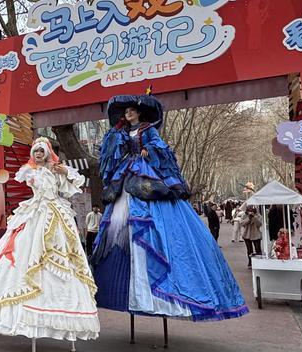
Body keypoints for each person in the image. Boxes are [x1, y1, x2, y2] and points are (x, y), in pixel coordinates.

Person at [91, 94, 248, 321]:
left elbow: (162, 151)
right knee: (120, 225)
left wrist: (149, 152)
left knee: (151, 223)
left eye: (131, 111)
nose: (128, 114)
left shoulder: (149, 130)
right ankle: (129, 291)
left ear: (139, 113)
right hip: (126, 177)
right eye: (126, 112)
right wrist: (116, 133)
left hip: (146, 173)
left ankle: (161, 291)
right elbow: (111, 153)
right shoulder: (123, 133)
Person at [0, 137, 100, 345]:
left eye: (42, 150)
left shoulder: (57, 170)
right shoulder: (29, 170)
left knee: (58, 264)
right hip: (34, 213)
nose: (38, 154)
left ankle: (54, 316)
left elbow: (74, 183)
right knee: (10, 259)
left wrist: (62, 171)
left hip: (55, 215)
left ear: (48, 152)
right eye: (36, 151)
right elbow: (29, 180)